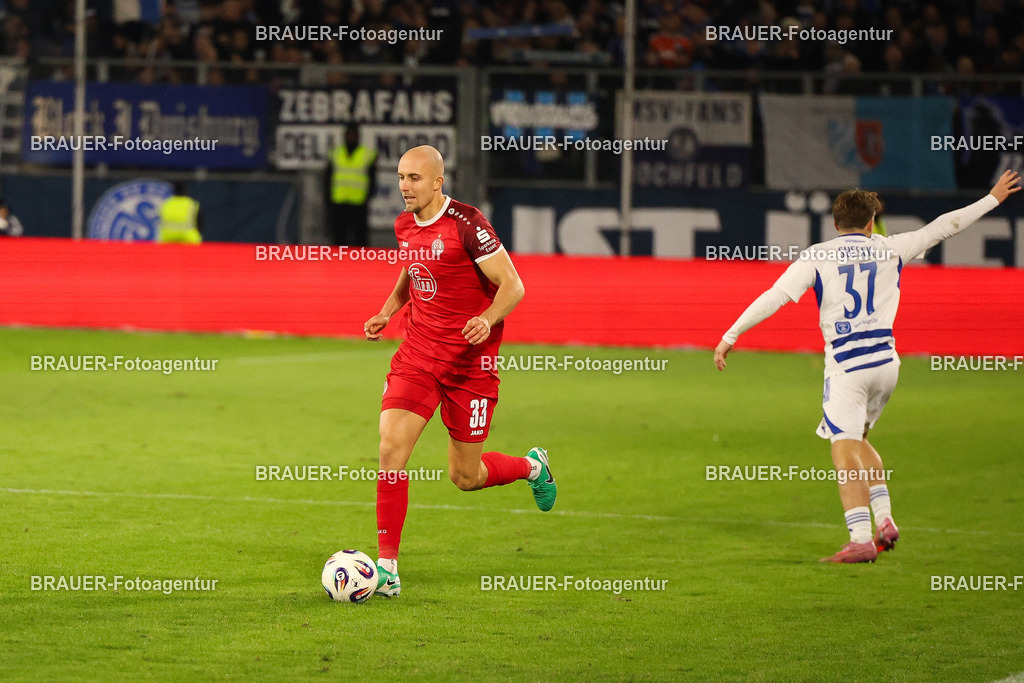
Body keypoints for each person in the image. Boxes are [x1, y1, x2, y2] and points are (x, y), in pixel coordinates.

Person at [713, 169, 1021, 564]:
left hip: (848, 366)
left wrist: (731, 335)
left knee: (843, 452)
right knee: (858, 441)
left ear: (835, 223)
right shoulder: (891, 247)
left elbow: (775, 296)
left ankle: (860, 539)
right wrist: (993, 198)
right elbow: (945, 226)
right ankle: (885, 520)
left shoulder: (819, 255)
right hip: (887, 365)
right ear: (871, 222)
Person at [363, 145, 556, 597]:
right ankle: (387, 567)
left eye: (413, 178)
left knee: (465, 478)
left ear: (437, 182)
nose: (404, 187)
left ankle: (532, 467)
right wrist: (389, 309)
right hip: (417, 355)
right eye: (400, 177)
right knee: (391, 449)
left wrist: (486, 319)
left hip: (469, 367)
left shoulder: (468, 226)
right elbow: (412, 271)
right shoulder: (404, 225)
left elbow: (513, 285)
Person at [326, 123, 376, 246]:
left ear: (359, 136)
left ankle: (361, 264)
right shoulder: (336, 153)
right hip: (339, 201)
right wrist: (327, 197)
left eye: (354, 134)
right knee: (339, 238)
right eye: (349, 134)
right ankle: (338, 264)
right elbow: (327, 177)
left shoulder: (366, 154)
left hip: (358, 202)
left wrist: (368, 196)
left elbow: (372, 178)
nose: (351, 137)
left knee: (360, 239)